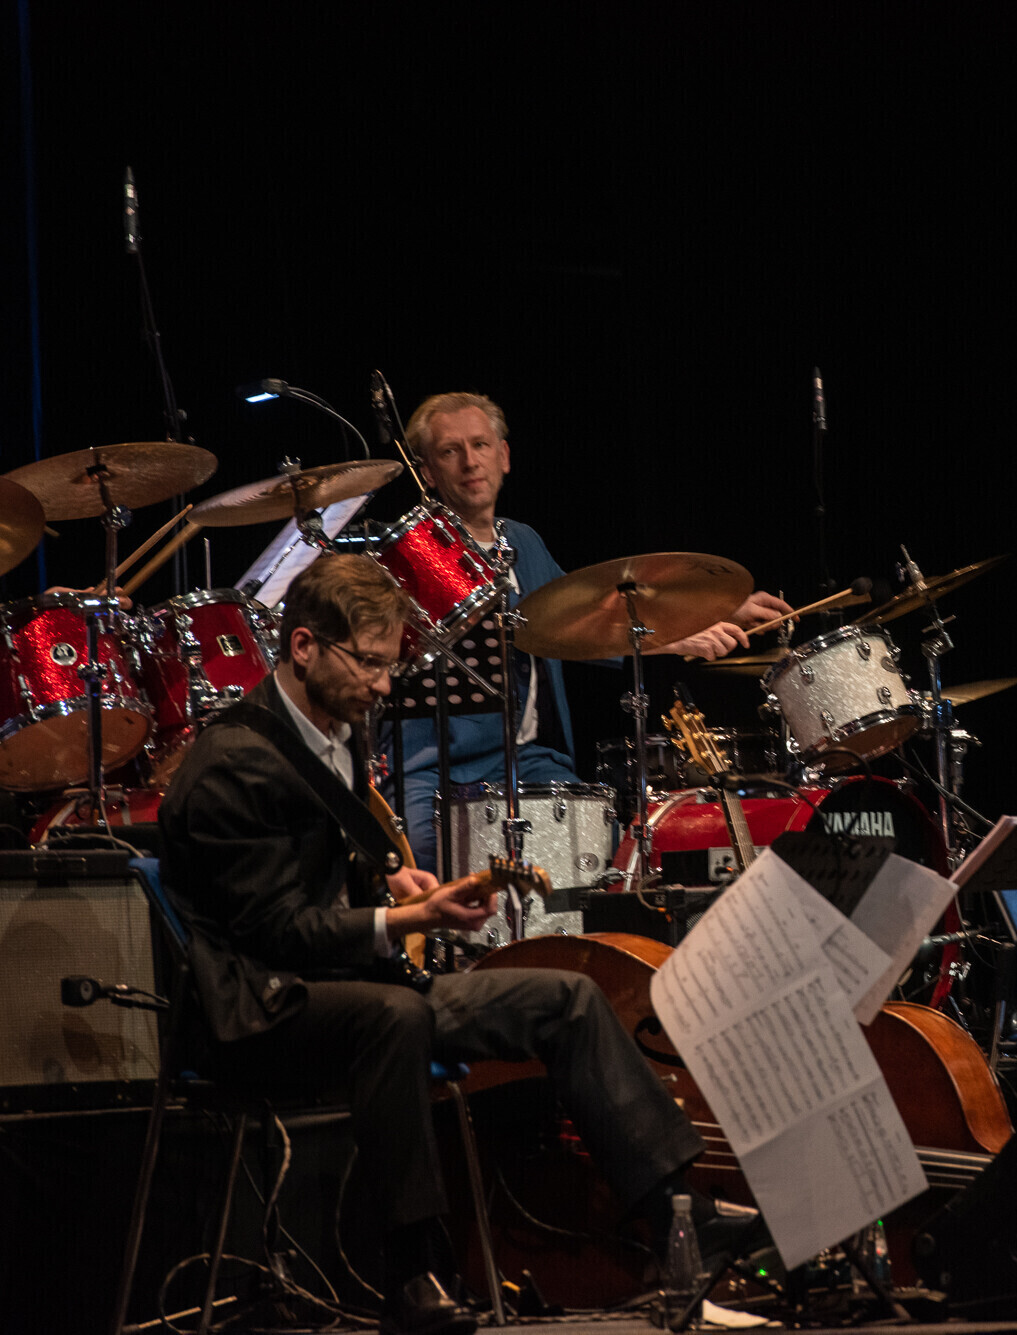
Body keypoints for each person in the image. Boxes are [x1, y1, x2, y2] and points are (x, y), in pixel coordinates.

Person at [158, 555, 757, 1335]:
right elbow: (274, 932)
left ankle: (679, 1213)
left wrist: (393, 881)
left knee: (565, 996)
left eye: (390, 664)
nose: (383, 685)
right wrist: (409, 920)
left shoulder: (339, 727)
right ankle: (414, 1272)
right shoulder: (234, 761)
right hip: (257, 1010)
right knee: (393, 1018)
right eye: (368, 663)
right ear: (303, 646)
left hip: (349, 985)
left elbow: (327, 872)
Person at [385, 392, 791, 872]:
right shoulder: (415, 553)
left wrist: (710, 612)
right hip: (433, 770)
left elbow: (587, 623)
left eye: (481, 445)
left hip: (528, 760)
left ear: (504, 456)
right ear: (428, 472)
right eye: (451, 451)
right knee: (425, 868)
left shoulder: (523, 541)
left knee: (601, 856)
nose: (471, 462)